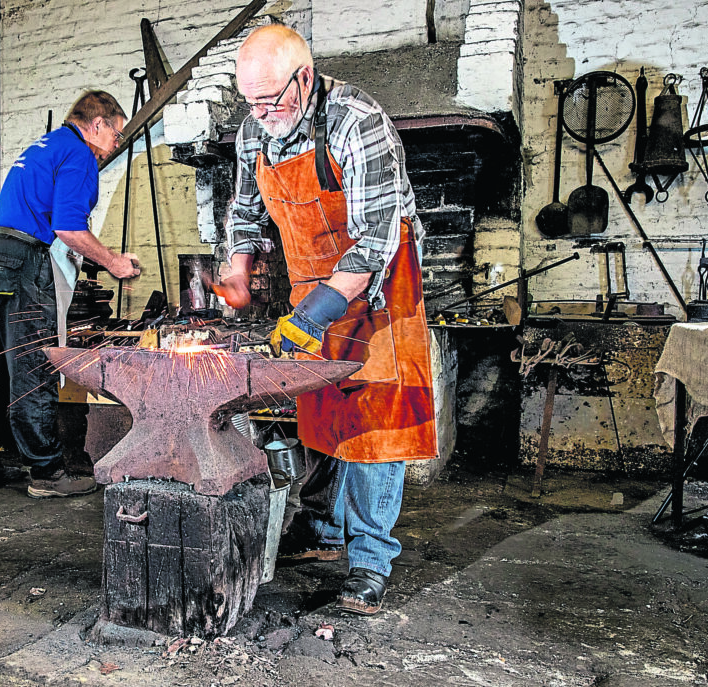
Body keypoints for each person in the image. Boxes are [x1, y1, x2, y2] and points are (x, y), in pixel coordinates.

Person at [218, 25, 438, 615]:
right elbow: (244, 211)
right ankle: (322, 530)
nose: (261, 113)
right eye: (251, 101)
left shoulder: (356, 120)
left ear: (304, 78)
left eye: (271, 100)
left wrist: (312, 316)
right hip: (312, 284)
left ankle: (370, 561)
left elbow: (373, 243)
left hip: (382, 291)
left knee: (373, 422)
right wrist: (239, 270)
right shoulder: (253, 130)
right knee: (320, 408)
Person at [0, 90, 141, 498]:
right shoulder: (79, 154)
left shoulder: (45, 145)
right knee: (33, 369)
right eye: (117, 133)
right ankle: (47, 473)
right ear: (98, 125)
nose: (116, 143)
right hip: (23, 261)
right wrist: (113, 262)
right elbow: (68, 228)